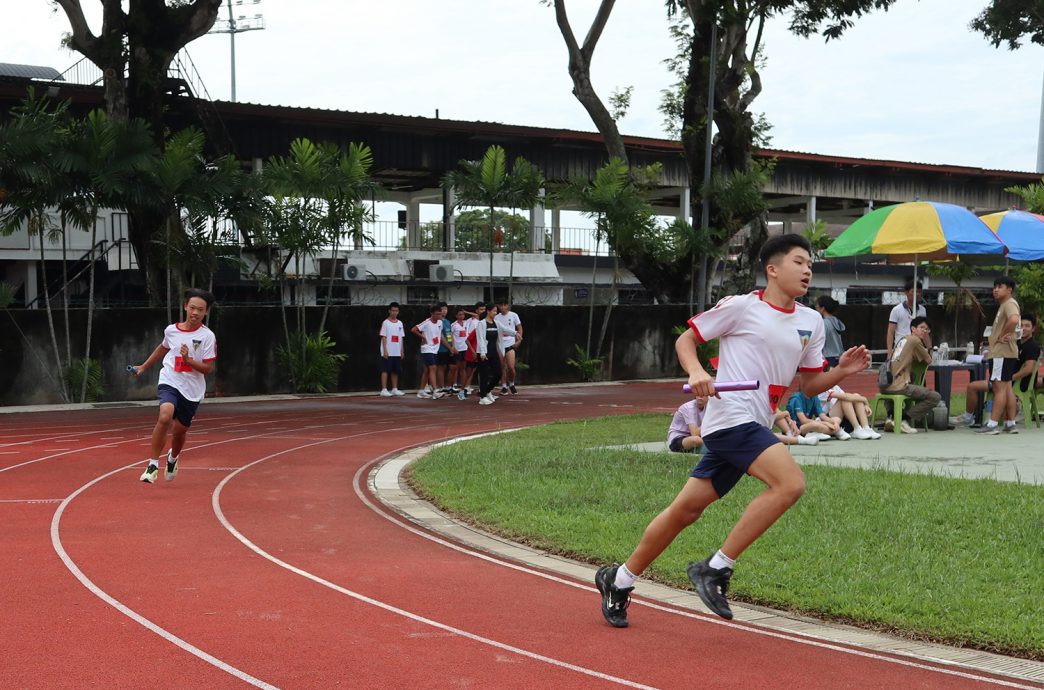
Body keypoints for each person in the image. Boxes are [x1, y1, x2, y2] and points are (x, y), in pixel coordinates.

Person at [594, 233, 870, 627]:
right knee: (790, 484)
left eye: (810, 263)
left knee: (685, 511)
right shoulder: (742, 308)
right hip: (728, 418)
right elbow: (687, 339)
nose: (807, 269)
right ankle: (716, 567)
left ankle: (618, 579)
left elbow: (809, 385)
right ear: (772, 270)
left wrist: (841, 371)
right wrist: (696, 369)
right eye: (798, 261)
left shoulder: (811, 322)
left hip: (754, 423)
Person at [131, 288, 218, 484]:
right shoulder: (171, 330)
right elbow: (163, 347)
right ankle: (152, 465)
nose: (195, 312)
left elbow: (207, 369)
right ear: (186, 306)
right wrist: (143, 367)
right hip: (170, 379)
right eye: (192, 307)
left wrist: (188, 360)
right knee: (164, 416)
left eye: (200, 309)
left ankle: (173, 458)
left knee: (180, 431)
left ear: (206, 312)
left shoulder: (207, 336)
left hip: (192, 389)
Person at [973, 277, 1022, 434]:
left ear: (1009, 290)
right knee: (1007, 388)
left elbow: (1014, 319)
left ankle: (992, 425)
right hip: (1006, 352)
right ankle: (1010, 423)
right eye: (994, 286)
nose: (995, 289)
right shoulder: (1004, 305)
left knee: (998, 388)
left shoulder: (1009, 304)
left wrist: (1002, 334)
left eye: (1000, 286)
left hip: (1002, 353)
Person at [881, 317, 939, 433]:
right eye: (922, 328)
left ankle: (891, 417)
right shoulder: (915, 340)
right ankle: (902, 420)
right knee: (935, 397)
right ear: (913, 329)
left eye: (927, 329)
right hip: (900, 385)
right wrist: (930, 348)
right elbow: (928, 360)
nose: (924, 331)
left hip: (885, 384)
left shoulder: (902, 340)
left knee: (894, 396)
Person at [886, 277, 929, 360]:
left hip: (917, 348)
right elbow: (890, 333)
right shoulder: (896, 310)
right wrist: (889, 352)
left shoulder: (923, 310)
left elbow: (925, 331)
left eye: (919, 292)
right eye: (914, 291)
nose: (917, 294)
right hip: (900, 348)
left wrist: (929, 348)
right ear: (906, 292)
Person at [412, 306, 446, 399]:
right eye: (437, 314)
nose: (439, 315)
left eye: (440, 314)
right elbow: (414, 329)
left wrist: (450, 348)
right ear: (432, 314)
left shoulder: (440, 323)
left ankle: (421, 391)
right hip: (427, 349)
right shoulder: (426, 322)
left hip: (435, 349)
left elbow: (441, 336)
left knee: (427, 370)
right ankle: (435, 391)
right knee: (433, 368)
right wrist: (423, 337)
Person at [474, 303, 503, 405]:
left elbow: (505, 329)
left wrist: (516, 333)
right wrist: (482, 353)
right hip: (483, 353)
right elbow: (480, 339)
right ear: (488, 311)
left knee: (498, 373)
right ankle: (482, 397)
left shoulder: (497, 323)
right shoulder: (481, 324)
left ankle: (486, 390)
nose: (496, 313)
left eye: (496, 311)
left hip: (493, 352)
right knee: (484, 375)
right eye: (494, 311)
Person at [494, 300, 523, 394]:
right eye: (501, 305)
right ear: (498, 306)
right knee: (502, 367)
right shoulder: (496, 317)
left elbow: (519, 328)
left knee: (511, 367)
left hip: (510, 343)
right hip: (500, 344)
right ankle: (504, 386)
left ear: (507, 305)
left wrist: (519, 340)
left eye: (504, 305)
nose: (503, 307)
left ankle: (511, 383)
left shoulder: (514, 315)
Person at [378, 302, 406, 397]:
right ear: (389, 311)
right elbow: (384, 337)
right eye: (393, 310)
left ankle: (394, 389)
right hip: (388, 351)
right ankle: (384, 389)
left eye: (396, 311)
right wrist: (385, 350)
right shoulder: (385, 323)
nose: (394, 312)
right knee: (385, 370)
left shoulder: (400, 323)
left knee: (396, 370)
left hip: (397, 351)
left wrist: (402, 351)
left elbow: (401, 337)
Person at [815, 295, 846, 368]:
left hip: (828, 357)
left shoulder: (824, 323)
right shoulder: (837, 321)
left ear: (822, 308)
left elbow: (819, 341)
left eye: (817, 306)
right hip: (839, 357)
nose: (816, 308)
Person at [450, 308, 470, 399]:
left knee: (464, 368)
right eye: (460, 314)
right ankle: (453, 385)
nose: (462, 316)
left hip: (465, 349)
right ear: (456, 316)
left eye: (463, 314)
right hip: (458, 349)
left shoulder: (467, 323)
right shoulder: (453, 325)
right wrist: (453, 347)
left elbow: (477, 316)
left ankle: (464, 386)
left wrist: (466, 311)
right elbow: (451, 337)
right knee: (456, 368)